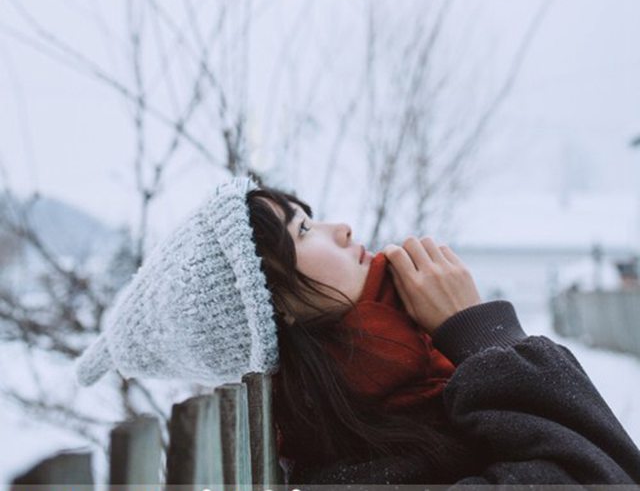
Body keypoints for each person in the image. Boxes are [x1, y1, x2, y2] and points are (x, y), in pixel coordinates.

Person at [76, 175, 640, 487]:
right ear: (274, 309)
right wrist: (481, 337)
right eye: (304, 230)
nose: (341, 228)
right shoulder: (356, 472)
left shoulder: (413, 379)